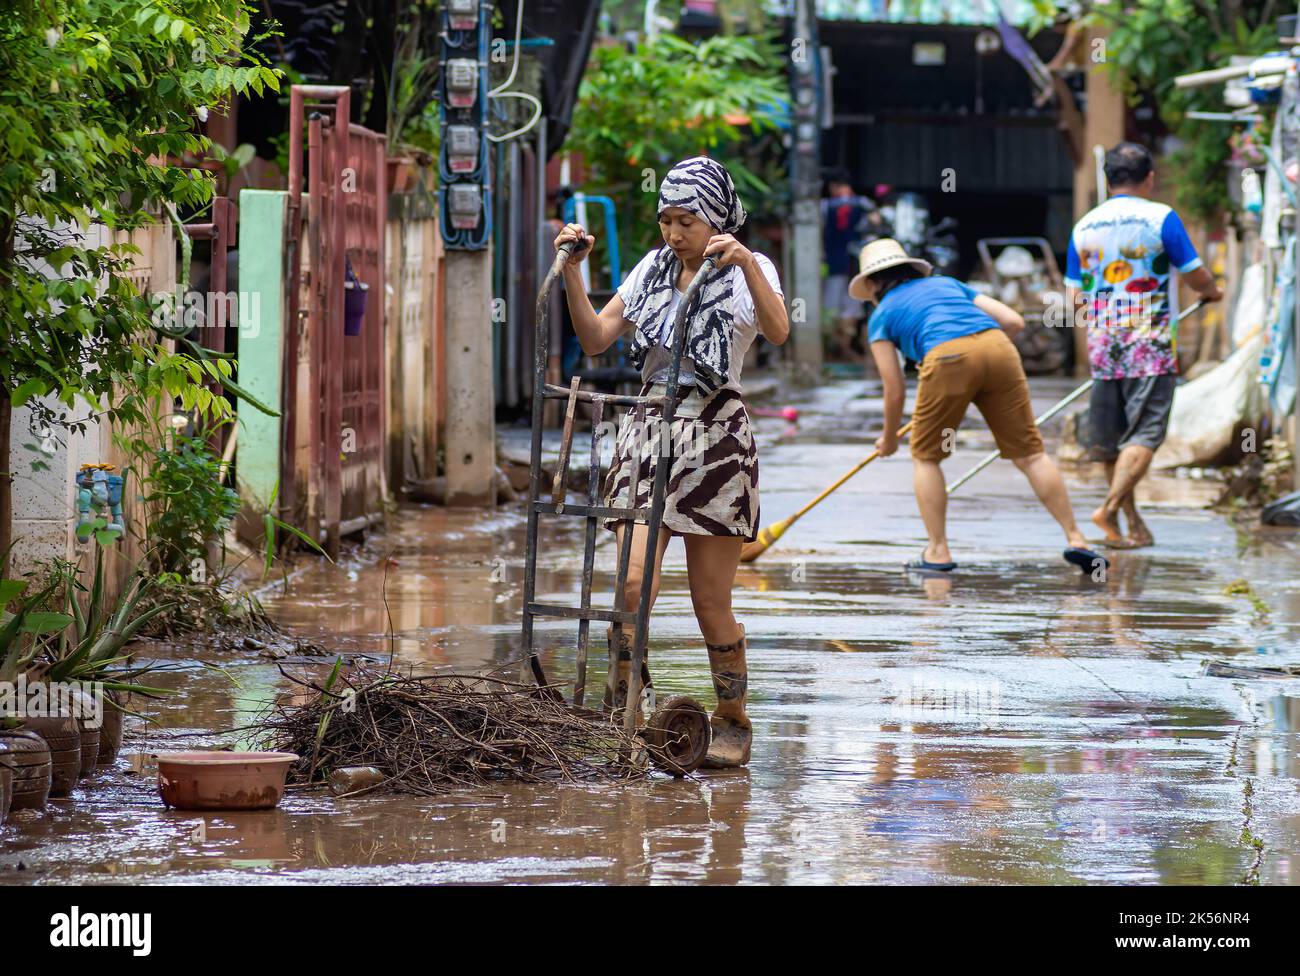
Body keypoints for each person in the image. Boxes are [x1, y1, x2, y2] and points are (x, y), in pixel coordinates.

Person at [553, 156, 789, 768]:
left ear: (714, 218)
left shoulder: (748, 268)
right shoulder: (653, 269)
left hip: (716, 436)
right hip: (649, 431)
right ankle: (625, 709)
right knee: (632, 584)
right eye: (666, 220)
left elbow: (779, 330)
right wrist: (576, 276)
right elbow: (596, 339)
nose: (674, 233)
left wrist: (744, 266)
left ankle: (732, 718)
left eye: (687, 220)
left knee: (711, 600)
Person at [851, 237, 1104, 574]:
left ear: (870, 283)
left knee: (926, 458)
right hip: (998, 347)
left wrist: (889, 439)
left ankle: (938, 551)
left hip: (945, 358)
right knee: (1030, 454)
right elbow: (1013, 321)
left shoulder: (881, 315)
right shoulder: (947, 283)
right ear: (911, 268)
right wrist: (980, 355)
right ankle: (1077, 538)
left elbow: (894, 389)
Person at [1065, 142, 1223, 548]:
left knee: (1113, 439)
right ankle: (1110, 508)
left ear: (1107, 179)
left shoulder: (1083, 227)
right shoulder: (1161, 218)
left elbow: (1075, 299)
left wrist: (1100, 328)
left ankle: (1130, 525)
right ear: (1150, 178)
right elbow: (1194, 274)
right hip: (1149, 346)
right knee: (1145, 435)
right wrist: (1213, 291)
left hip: (1104, 346)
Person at [821, 174, 880, 360]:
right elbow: (876, 223)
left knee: (830, 307)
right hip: (856, 265)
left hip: (833, 264)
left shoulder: (824, 206)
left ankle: (836, 350)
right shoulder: (863, 203)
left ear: (833, 186)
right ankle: (846, 347)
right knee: (852, 307)